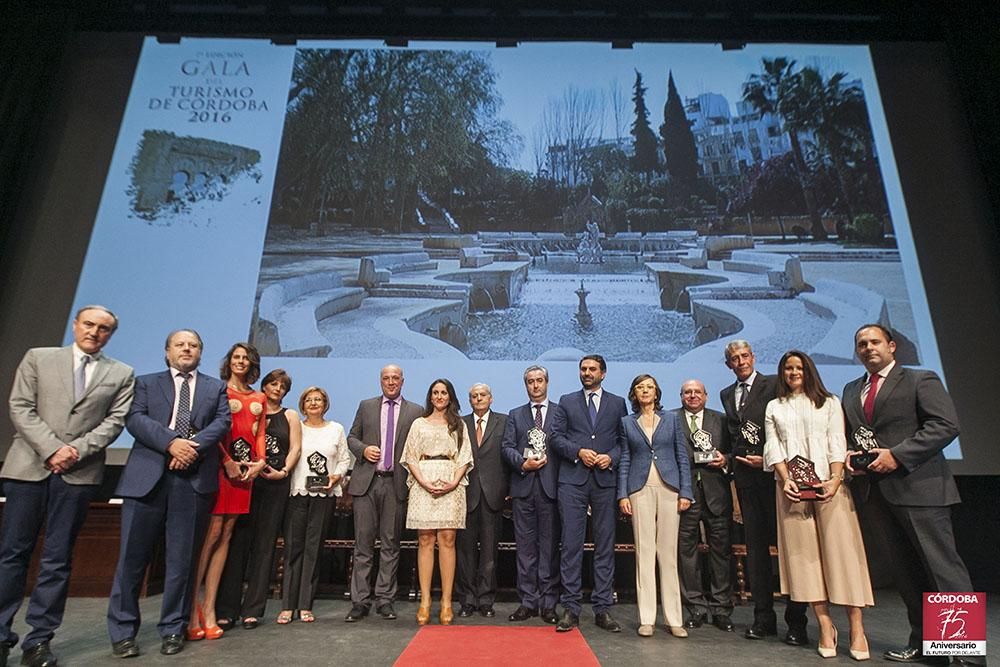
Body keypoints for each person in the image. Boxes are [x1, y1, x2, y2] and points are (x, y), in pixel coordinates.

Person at [1, 306, 134, 667]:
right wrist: (52, 449)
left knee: (57, 560)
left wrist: (74, 451)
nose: (95, 332)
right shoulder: (38, 358)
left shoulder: (121, 372)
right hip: (29, 469)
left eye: (104, 328)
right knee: (12, 555)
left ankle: (39, 641)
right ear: (75, 324)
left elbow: (115, 422)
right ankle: (1, 635)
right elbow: (20, 407)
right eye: (89, 324)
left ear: (111, 334)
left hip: (78, 474)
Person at [844, 324, 981, 666]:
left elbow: (945, 425)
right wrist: (851, 456)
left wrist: (897, 455)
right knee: (906, 574)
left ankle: (964, 654)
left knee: (943, 571)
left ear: (891, 346)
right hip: (876, 494)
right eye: (861, 344)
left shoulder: (921, 379)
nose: (868, 348)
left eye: (874, 342)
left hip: (921, 489)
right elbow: (859, 435)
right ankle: (926, 644)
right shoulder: (851, 390)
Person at [106, 329, 231, 658]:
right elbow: (135, 419)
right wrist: (170, 442)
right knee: (132, 561)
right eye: (180, 344)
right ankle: (122, 632)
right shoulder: (145, 382)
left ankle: (173, 628)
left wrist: (190, 448)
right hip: (145, 479)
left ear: (201, 353)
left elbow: (221, 423)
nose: (187, 349)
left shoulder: (215, 387)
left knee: (183, 562)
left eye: (193, 345)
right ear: (167, 352)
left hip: (192, 482)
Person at [764, 351, 873, 660]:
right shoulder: (775, 406)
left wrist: (836, 479)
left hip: (830, 487)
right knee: (804, 561)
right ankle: (825, 625)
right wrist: (785, 479)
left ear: (808, 371)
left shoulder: (829, 402)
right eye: (788, 368)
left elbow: (837, 441)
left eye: (798, 367)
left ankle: (856, 627)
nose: (793, 372)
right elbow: (774, 447)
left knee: (844, 557)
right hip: (792, 491)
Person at [720, 340, 809, 645]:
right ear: (728, 364)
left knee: (791, 552)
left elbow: (790, 428)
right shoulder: (726, 394)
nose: (741, 361)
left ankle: (797, 622)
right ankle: (763, 619)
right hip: (747, 483)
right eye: (734, 358)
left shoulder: (774, 385)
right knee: (756, 554)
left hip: (779, 481)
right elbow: (736, 439)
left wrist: (771, 460)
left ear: (753, 358)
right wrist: (729, 460)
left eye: (745, 356)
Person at [188, 343, 267, 640]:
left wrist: (259, 463)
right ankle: (190, 608)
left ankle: (209, 609)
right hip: (221, 470)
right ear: (228, 361)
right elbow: (211, 429)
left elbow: (259, 433)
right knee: (212, 532)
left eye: (246, 358)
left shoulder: (258, 396)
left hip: (245, 474)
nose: (241, 361)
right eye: (236, 357)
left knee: (228, 534)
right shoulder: (216, 391)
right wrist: (226, 461)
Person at [215, 368, 302, 629]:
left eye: (282, 386)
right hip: (244, 481)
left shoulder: (290, 415)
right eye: (273, 384)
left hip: (275, 484)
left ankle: (253, 609)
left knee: (265, 547)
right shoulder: (249, 409)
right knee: (237, 544)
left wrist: (283, 471)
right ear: (263, 386)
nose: (277, 389)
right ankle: (226, 609)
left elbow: (296, 448)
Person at [552, 354, 628, 633]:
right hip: (572, 481)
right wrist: (578, 452)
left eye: (592, 369)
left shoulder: (618, 403)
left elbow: (623, 442)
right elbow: (556, 438)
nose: (586, 373)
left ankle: (603, 608)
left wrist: (612, 457)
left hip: (605, 482)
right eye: (583, 369)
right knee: (571, 546)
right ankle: (571, 608)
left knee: (605, 547)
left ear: (603, 373)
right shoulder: (567, 400)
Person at [344, 365, 422, 622]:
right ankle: (360, 601)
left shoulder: (415, 411)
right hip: (367, 482)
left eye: (395, 378)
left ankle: (385, 599)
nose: (391, 382)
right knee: (363, 545)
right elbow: (352, 437)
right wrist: (363, 450)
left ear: (403, 380)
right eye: (386, 378)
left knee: (391, 544)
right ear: (381, 381)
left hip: (395, 484)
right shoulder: (366, 405)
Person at [617, 374, 693, 637]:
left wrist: (686, 491)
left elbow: (682, 456)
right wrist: (623, 494)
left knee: (668, 554)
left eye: (649, 387)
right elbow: (625, 458)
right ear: (634, 393)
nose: (645, 391)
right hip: (639, 490)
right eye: (640, 387)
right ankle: (647, 618)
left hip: (669, 488)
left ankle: (674, 619)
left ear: (657, 392)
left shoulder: (671, 419)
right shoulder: (627, 422)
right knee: (644, 553)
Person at [400, 379, 473, 625]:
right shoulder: (418, 424)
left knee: (448, 540)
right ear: (430, 397)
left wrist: (453, 482)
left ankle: (446, 602)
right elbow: (410, 457)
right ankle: (425, 602)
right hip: (423, 482)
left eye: (444, 392)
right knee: (425, 539)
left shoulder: (458, 424)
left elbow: (465, 457)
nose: (439, 396)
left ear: (450, 397)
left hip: (451, 483)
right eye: (435, 392)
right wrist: (423, 481)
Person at [278, 386, 349, 624]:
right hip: (296, 493)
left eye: (318, 399)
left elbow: (344, 459)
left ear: (325, 403)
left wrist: (336, 477)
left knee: (313, 549)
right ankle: (287, 605)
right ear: (302, 404)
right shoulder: (294, 426)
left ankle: (305, 605)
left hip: (324, 495)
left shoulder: (336, 428)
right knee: (293, 548)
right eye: (309, 399)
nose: (314, 403)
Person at [501, 365, 564, 625]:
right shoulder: (515, 415)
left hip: (552, 489)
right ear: (525, 385)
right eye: (530, 382)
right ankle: (528, 601)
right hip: (524, 487)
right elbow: (506, 447)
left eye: (539, 381)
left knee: (549, 549)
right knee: (525, 550)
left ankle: (549, 603)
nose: (535, 385)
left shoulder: (562, 412)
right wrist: (522, 463)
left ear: (547, 382)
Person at [674, 379, 734, 632]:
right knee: (687, 553)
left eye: (697, 392)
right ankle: (695, 606)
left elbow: (734, 452)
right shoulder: (670, 419)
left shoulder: (721, 420)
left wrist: (724, 460)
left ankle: (721, 608)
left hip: (716, 493)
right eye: (687, 392)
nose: (692, 396)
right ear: (681, 396)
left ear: (706, 396)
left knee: (721, 552)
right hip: (684, 495)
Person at [456, 383, 508, 619]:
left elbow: (509, 456)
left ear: (491, 397)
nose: (478, 399)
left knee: (489, 553)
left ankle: (486, 600)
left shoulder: (504, 422)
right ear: (469, 401)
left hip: (493, 495)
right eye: (474, 396)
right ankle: (467, 600)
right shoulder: (459, 423)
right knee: (465, 552)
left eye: (483, 395)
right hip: (464, 494)